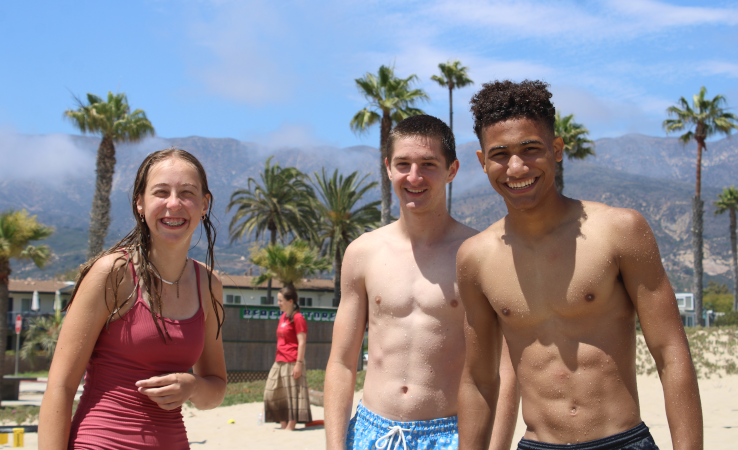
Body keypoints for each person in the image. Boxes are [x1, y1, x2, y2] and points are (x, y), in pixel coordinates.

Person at [458, 80, 703, 450]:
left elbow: (671, 352)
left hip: (621, 441)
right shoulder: (475, 257)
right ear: (482, 161)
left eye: (531, 149)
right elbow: (479, 380)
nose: (517, 166)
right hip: (537, 443)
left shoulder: (620, 230)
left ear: (556, 149)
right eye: (500, 154)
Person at [325, 114, 518, 450]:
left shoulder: (482, 255)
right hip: (370, 434)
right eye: (403, 164)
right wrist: (334, 446)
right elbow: (342, 363)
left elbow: (506, 371)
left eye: (428, 164)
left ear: (452, 171)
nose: (414, 177)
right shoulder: (363, 253)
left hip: (450, 435)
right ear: (388, 168)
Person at [38, 149, 227, 449]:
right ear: (140, 203)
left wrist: (191, 386)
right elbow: (60, 387)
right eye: (161, 192)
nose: (174, 204)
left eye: (187, 193)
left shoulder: (208, 285)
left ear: (205, 204)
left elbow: (215, 389)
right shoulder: (112, 274)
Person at [264, 286, 313, 430]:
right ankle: (282, 423)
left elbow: (302, 341)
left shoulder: (298, 318)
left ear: (290, 301)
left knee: (293, 394)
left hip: (292, 360)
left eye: (280, 300)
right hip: (279, 360)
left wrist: (299, 364)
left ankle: (291, 425)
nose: (278, 303)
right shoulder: (283, 317)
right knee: (272, 391)